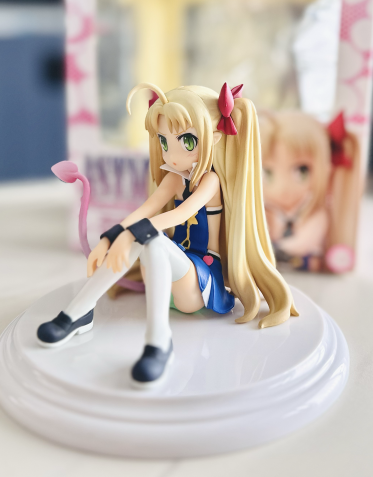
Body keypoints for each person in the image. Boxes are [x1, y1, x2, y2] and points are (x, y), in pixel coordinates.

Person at [37, 83, 298, 388]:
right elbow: (144, 210)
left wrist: (128, 236)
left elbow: (178, 215)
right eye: (163, 141)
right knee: (149, 241)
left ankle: (159, 342)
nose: (172, 155)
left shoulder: (210, 182)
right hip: (166, 275)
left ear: (213, 138)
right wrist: (108, 239)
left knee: (152, 240)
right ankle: (77, 313)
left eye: (186, 141)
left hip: (199, 281)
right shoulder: (174, 178)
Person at [259, 110, 360, 272]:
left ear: (326, 169)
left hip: (298, 259)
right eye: (267, 173)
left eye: (302, 171)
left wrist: (277, 249)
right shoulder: (266, 209)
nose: (283, 187)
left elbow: (306, 240)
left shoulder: (314, 213)